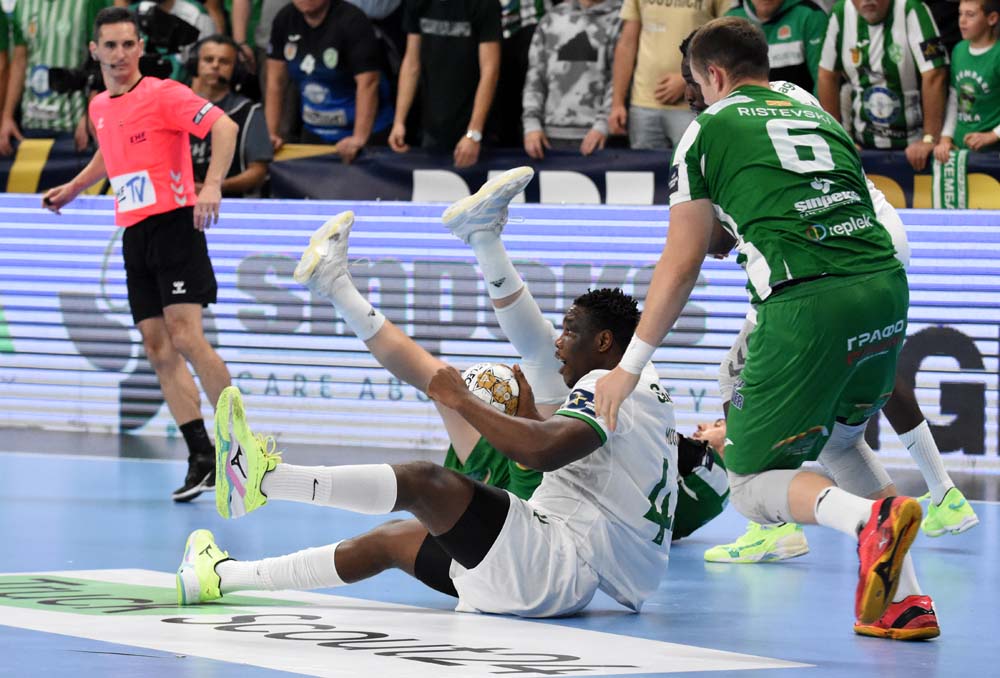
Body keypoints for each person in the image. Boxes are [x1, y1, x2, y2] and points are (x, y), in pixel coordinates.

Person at [178, 169, 679, 617]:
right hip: (554, 566)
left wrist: (463, 399)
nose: (558, 343)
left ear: (604, 343)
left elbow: (542, 451)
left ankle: (265, 479)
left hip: (554, 564)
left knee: (424, 480)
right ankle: (221, 577)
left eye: (569, 332)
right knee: (389, 541)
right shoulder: (642, 388)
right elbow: (544, 389)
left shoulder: (613, 384)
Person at [595, 17, 940, 640]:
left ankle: (867, 522)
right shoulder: (809, 105)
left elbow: (682, 263)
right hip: (885, 285)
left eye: (697, 82)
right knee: (842, 443)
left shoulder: (704, 130)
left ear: (713, 75)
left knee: (751, 484)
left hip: (808, 300)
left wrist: (628, 367)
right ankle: (907, 601)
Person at [678, 32, 978, 560]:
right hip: (873, 243)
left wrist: (707, 234)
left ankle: (771, 517)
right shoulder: (792, 98)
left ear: (712, 74)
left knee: (734, 375)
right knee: (847, 422)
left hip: (826, 257)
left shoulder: (719, 124)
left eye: (692, 81)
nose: (690, 93)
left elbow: (727, 229)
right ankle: (920, 512)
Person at [40, 7, 238, 503]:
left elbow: (225, 128)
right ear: (95, 51)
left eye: (129, 44)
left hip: (176, 225)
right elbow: (109, 153)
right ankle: (201, 456)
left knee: (186, 337)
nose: (120, 54)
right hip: (134, 232)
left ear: (140, 48)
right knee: (156, 347)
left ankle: (239, 447)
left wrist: (212, 184)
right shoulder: (99, 106)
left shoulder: (164, 93)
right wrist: (74, 187)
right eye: (111, 46)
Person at [817, 0, 949, 171]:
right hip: (862, 145)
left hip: (914, 146)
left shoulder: (912, 9)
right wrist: (838, 138)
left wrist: (929, 138)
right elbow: (826, 76)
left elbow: (935, 75)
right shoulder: (840, 13)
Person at [267, 0, 394, 163]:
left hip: (366, 132)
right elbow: (275, 81)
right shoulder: (285, 18)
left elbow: (369, 83)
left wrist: (359, 138)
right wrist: (271, 133)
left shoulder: (353, 20)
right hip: (315, 131)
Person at [389, 0, 501, 167]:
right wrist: (399, 121)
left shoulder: (484, 4)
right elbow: (412, 63)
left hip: (477, 127)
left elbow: (490, 70)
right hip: (432, 125)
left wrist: (474, 133)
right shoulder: (417, 3)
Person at [608, 0, 730, 150]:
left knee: (691, 163)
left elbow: (726, 42)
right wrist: (617, 103)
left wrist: (688, 80)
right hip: (643, 104)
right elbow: (627, 44)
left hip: (694, 104)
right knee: (643, 164)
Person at [0, 0, 113, 156]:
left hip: (72, 125)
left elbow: (103, 57)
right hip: (30, 124)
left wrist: (90, 113)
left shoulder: (89, 3)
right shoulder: (22, 4)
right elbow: (19, 60)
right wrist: (7, 117)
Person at [521, 0, 621, 159]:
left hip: (600, 139)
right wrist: (532, 125)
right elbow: (535, 76)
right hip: (549, 136)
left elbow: (620, 79)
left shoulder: (621, 18)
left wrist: (603, 125)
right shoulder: (552, 18)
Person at [189, 35, 273, 197]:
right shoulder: (175, 109)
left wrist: (214, 187)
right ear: (195, 64)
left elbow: (258, 172)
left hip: (231, 203)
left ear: (236, 69)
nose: (215, 65)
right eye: (208, 59)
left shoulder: (249, 112)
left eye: (224, 62)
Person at [934, 0, 1000, 158]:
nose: (962, 21)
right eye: (960, 13)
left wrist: (993, 135)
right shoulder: (959, 50)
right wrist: (946, 137)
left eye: (970, 15)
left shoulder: (997, 55)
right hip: (958, 148)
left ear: (992, 18)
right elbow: (954, 99)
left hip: (991, 153)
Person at [726, 0, 829, 93]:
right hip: (747, 106)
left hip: (799, 106)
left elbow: (824, 81)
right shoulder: (730, 20)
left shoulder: (810, 15)